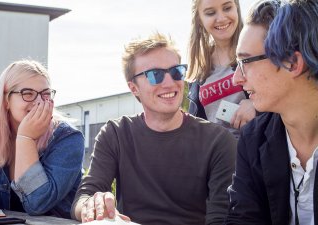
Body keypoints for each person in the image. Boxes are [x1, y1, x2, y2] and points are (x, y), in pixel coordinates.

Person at [71, 33, 237, 225]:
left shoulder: (218, 141)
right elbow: (84, 196)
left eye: (176, 71)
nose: (169, 83)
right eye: (155, 75)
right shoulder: (116, 133)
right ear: (134, 88)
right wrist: (92, 205)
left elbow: (221, 218)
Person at [0, 60, 85, 218]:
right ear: (6, 100)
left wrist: (26, 138)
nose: (39, 101)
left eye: (45, 94)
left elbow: (38, 203)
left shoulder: (67, 138)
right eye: (28, 93)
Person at [226, 0, 318, 224]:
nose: (237, 78)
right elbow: (242, 218)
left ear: (293, 62)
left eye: (245, 61)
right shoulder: (254, 139)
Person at [187, 0, 256, 136]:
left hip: (256, 149)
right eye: (210, 13)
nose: (221, 18)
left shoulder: (258, 50)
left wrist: (256, 106)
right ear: (199, 19)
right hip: (218, 153)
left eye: (227, 8)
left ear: (236, 8)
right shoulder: (199, 69)